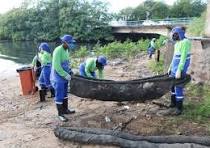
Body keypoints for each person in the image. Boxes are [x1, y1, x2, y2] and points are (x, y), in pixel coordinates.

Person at [50, 34, 76, 122]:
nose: (71, 44)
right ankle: (60, 114)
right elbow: (57, 66)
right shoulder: (58, 51)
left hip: (64, 76)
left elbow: (66, 63)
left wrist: (70, 71)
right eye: (70, 43)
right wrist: (65, 75)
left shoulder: (66, 50)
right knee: (59, 95)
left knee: (65, 94)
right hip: (58, 77)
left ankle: (66, 110)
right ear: (64, 42)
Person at [168, 26, 191, 115]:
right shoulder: (177, 43)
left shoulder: (185, 42)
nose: (174, 36)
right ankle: (173, 103)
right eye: (173, 34)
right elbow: (174, 57)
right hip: (174, 68)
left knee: (178, 87)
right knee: (172, 86)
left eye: (175, 34)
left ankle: (179, 108)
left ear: (180, 33)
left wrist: (179, 70)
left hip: (179, 69)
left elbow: (183, 57)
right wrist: (170, 67)